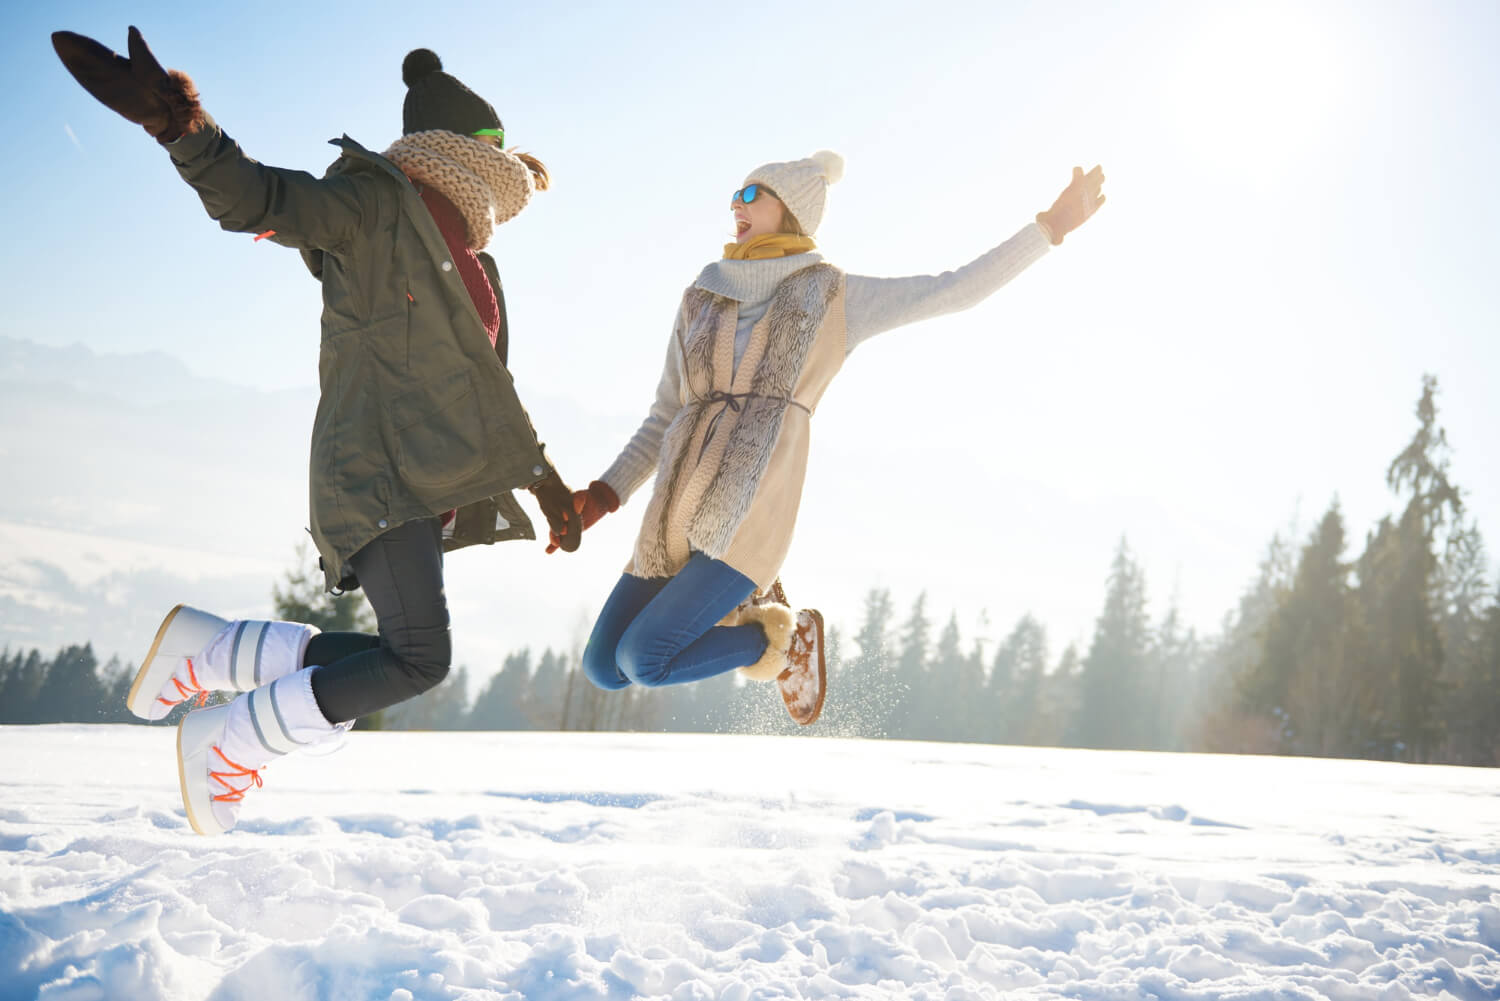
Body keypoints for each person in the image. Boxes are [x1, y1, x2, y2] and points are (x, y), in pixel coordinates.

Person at [52, 27, 581, 835]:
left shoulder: (474, 260)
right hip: (373, 472)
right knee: (418, 658)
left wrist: (547, 483)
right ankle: (227, 737)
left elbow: (485, 391)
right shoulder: (373, 209)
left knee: (401, 656)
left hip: (417, 483)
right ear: (470, 153)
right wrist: (183, 129)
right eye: (499, 153)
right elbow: (260, 197)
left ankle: (213, 653)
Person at [557, 150, 1105, 725]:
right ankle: (764, 624)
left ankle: (783, 642)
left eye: (750, 196)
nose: (734, 207)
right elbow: (665, 414)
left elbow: (954, 290)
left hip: (751, 512)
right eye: (733, 197)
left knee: (645, 660)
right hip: (675, 510)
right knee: (604, 666)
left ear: (789, 209)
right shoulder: (702, 295)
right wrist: (603, 496)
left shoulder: (833, 296)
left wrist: (1048, 230)